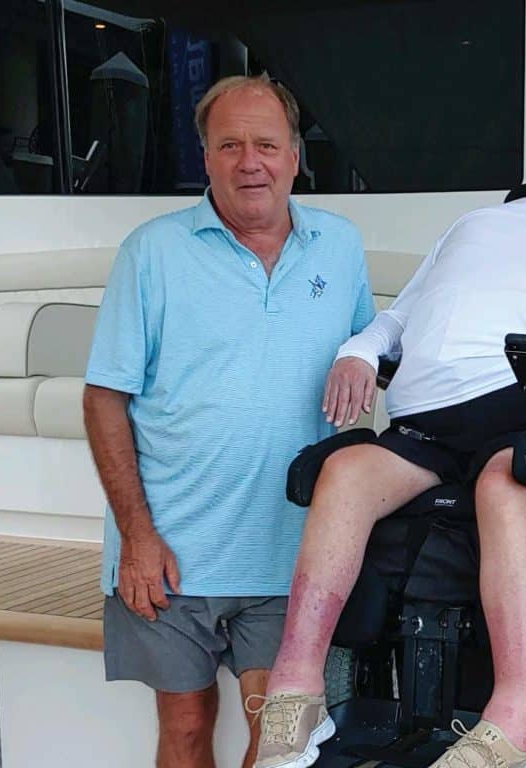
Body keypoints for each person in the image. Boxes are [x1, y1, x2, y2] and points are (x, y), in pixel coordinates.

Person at [251, 88, 526, 768]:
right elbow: (400, 317)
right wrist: (359, 350)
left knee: (504, 484)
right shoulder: (476, 225)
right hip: (428, 425)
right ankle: (295, 685)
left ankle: (519, 712)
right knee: (345, 471)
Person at [83, 74, 375, 768]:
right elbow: (103, 399)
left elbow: (368, 350)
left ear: (295, 156)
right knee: (184, 729)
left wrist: (370, 359)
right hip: (171, 554)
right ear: (206, 158)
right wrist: (137, 536)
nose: (252, 162)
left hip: (294, 554)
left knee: (279, 738)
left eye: (267, 144)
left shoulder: (339, 246)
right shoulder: (151, 252)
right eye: (231, 145)